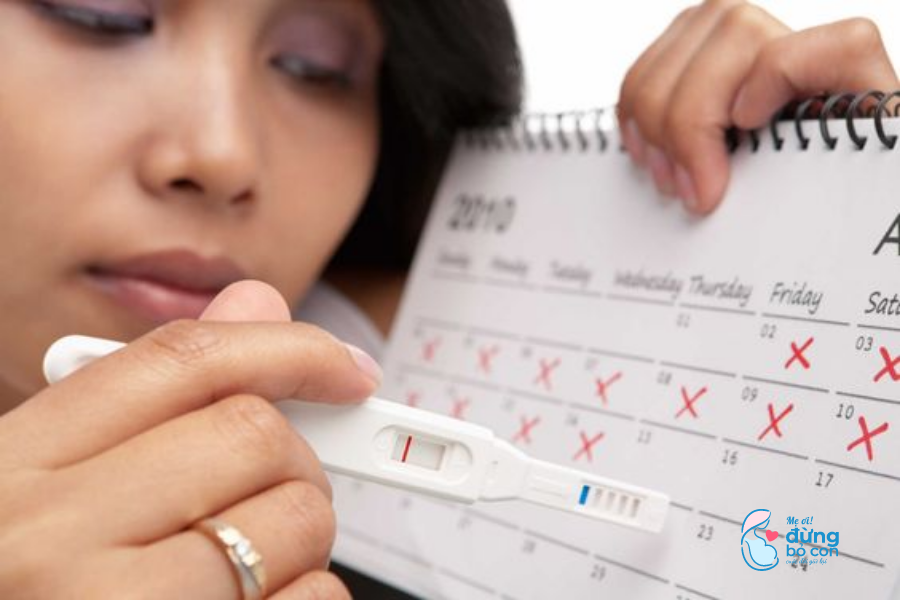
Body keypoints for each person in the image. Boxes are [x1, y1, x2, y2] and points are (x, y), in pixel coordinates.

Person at [0, 1, 895, 598]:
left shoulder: (415, 348)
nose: (222, 152)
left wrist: (858, 249)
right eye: (101, 14)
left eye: (314, 67)